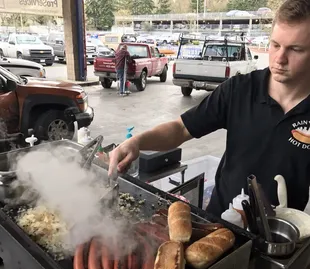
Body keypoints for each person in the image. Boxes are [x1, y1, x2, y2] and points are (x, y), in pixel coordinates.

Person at [109, 0, 310, 217]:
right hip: (221, 224)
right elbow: (181, 129)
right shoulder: (239, 90)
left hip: (282, 237)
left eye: (295, 49)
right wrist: (137, 142)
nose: (280, 59)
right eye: (275, 45)